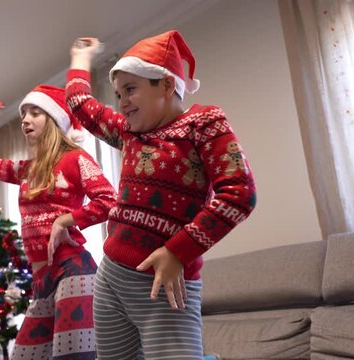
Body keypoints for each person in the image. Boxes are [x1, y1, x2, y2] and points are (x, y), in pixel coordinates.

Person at [65, 30, 257, 359]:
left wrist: (178, 251)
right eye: (117, 94)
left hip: (163, 284)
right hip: (110, 276)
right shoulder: (128, 131)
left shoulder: (203, 123)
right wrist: (80, 59)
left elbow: (240, 193)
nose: (122, 101)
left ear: (166, 85)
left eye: (130, 89)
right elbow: (80, 104)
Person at [0, 84, 117, 359]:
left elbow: (109, 200)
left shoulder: (75, 159)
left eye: (35, 112)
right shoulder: (28, 170)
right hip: (42, 278)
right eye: (23, 114)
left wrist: (65, 220)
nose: (25, 119)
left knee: (73, 356)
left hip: (73, 269)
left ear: (53, 120)